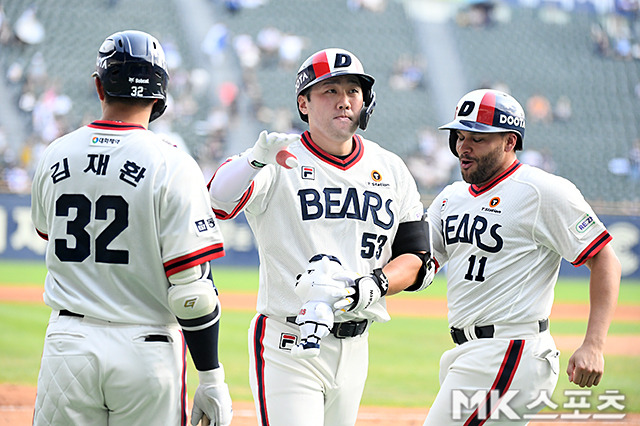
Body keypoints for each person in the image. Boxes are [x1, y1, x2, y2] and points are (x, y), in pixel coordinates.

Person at [208, 48, 434, 426]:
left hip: (356, 341)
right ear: (304, 103)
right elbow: (217, 201)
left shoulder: (391, 167)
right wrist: (254, 160)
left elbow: (416, 258)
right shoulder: (280, 158)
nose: (344, 101)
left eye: (353, 91)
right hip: (288, 337)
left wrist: (372, 286)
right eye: (329, 91)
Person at [30, 30, 232, 426]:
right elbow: (192, 291)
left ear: (98, 84)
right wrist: (210, 376)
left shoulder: (55, 153)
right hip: (148, 348)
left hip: (68, 343)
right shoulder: (172, 164)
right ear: (161, 95)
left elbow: (46, 232)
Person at [423, 89, 621, 425]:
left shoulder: (541, 190)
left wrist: (594, 344)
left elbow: (605, 259)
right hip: (467, 353)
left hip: (510, 350)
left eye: (478, 138)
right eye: (459, 136)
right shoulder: (450, 198)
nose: (463, 147)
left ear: (510, 142)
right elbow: (419, 261)